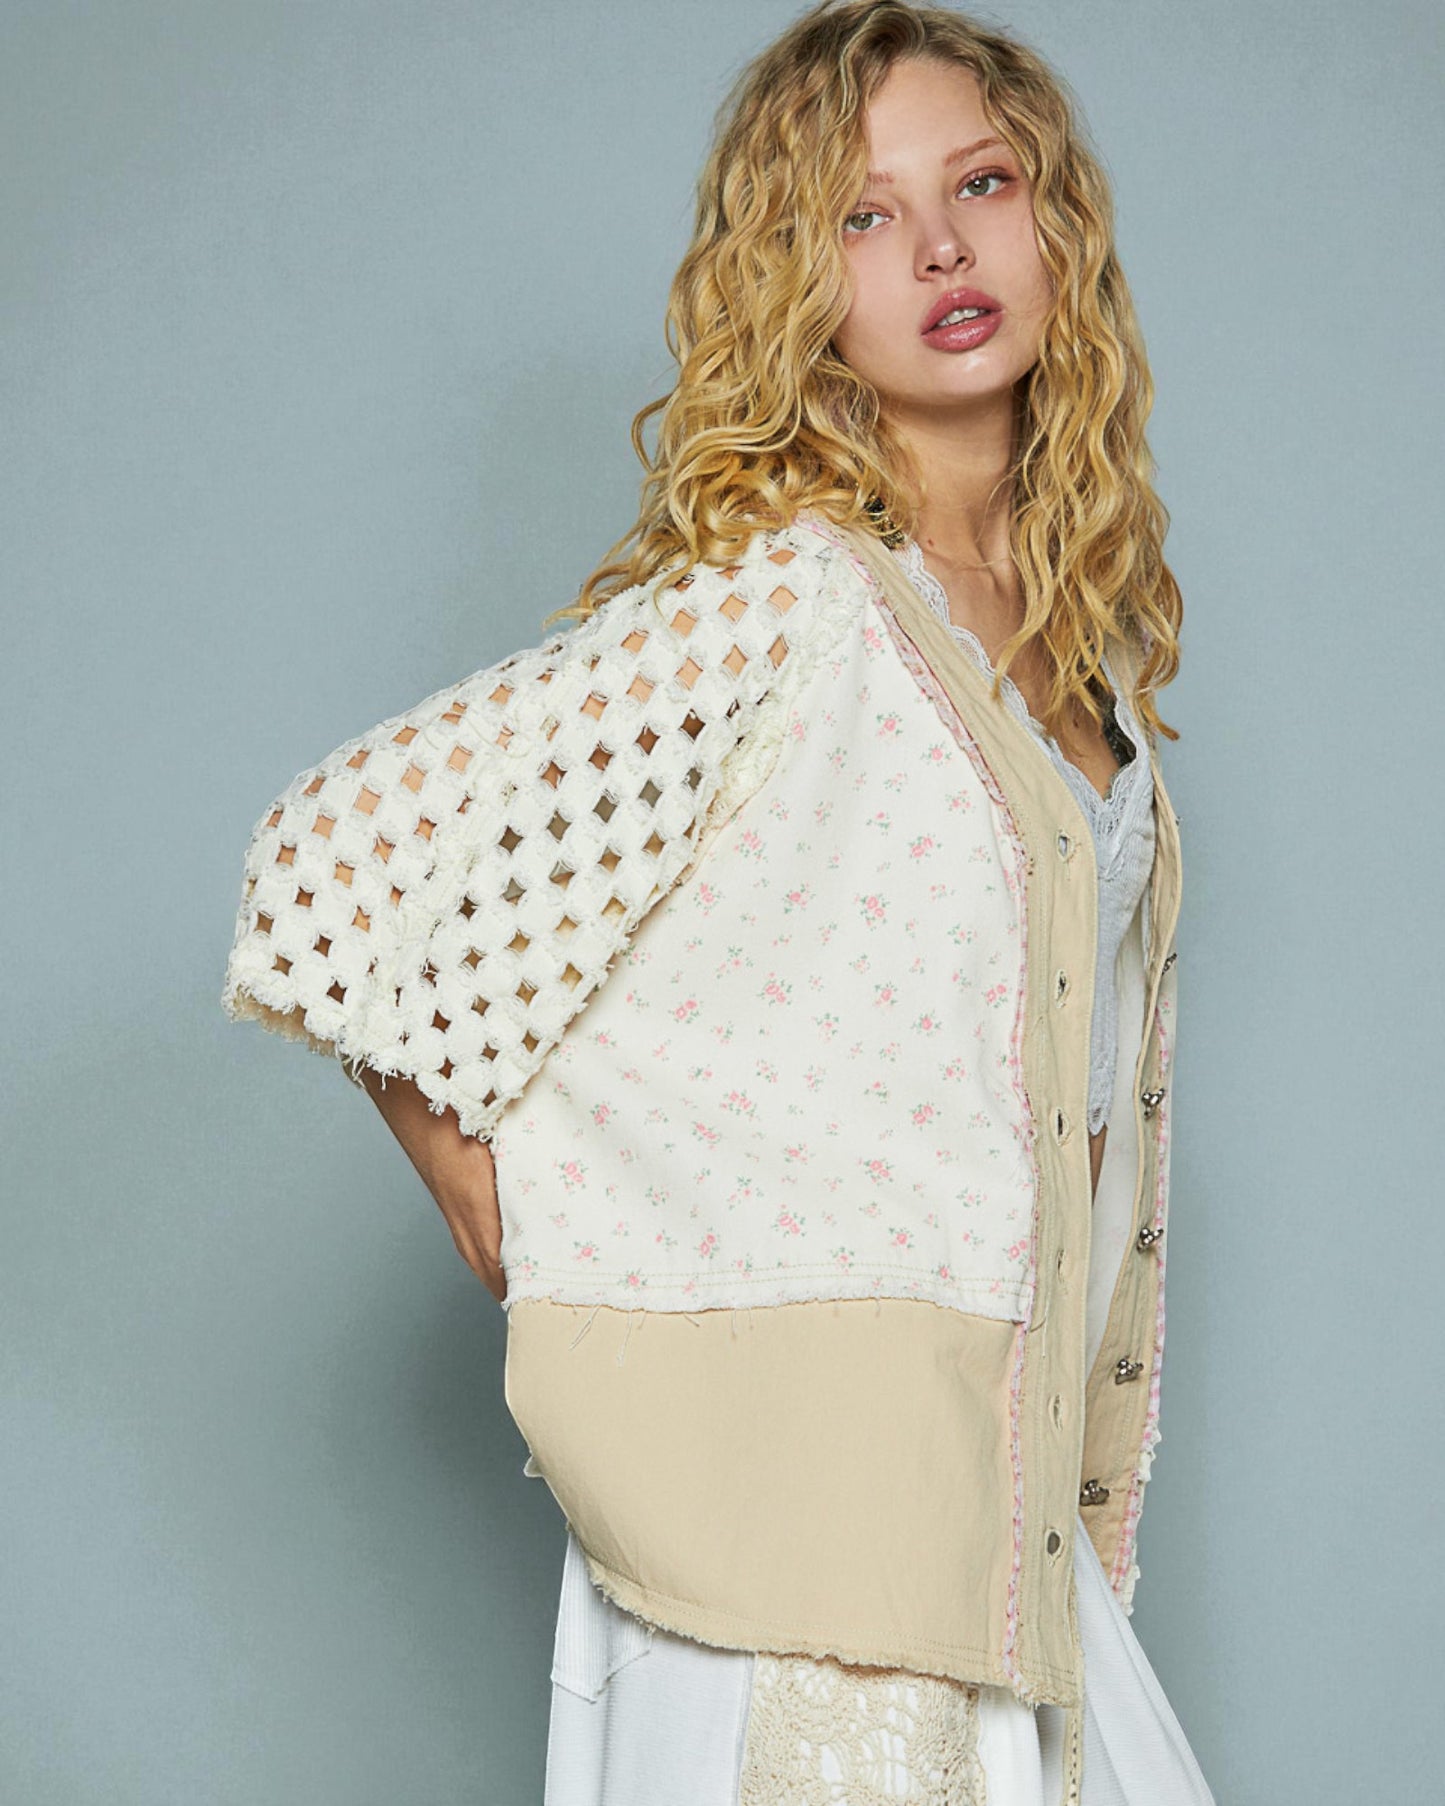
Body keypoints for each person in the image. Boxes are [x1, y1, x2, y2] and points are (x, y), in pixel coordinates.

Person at [219, 3, 1216, 1800]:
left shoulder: (1098, 691)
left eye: (979, 183)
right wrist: (506, 1192)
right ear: (796, 285)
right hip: (794, 1535)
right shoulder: (793, 605)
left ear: (1054, 220)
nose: (936, 245)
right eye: (859, 213)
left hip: (983, 1515)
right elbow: (333, 859)